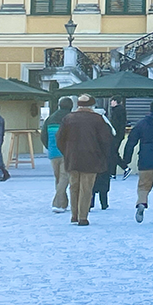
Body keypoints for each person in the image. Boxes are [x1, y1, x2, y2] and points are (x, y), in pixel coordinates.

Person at [55, 94, 113, 226]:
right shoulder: (98, 119)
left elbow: (59, 139)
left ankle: (74, 215)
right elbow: (106, 140)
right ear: (92, 105)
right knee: (86, 188)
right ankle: (83, 217)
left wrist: (67, 153)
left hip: (72, 158)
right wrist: (103, 156)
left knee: (74, 186)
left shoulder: (68, 118)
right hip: (91, 159)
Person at [41, 96, 74, 211]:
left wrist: (49, 147)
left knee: (58, 178)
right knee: (64, 178)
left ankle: (63, 203)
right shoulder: (70, 118)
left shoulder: (50, 118)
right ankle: (57, 203)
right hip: (66, 151)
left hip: (53, 152)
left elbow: (43, 136)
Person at [90, 107, 118, 211]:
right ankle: (104, 203)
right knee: (104, 183)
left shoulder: (91, 126)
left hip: (93, 158)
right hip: (105, 158)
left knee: (92, 183)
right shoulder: (107, 127)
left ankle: (90, 203)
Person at [108, 96, 130, 178]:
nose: (110, 103)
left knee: (113, 153)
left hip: (116, 135)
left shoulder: (117, 110)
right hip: (119, 135)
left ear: (115, 101)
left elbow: (115, 124)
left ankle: (125, 167)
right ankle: (112, 173)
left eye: (112, 101)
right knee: (113, 153)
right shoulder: (119, 110)